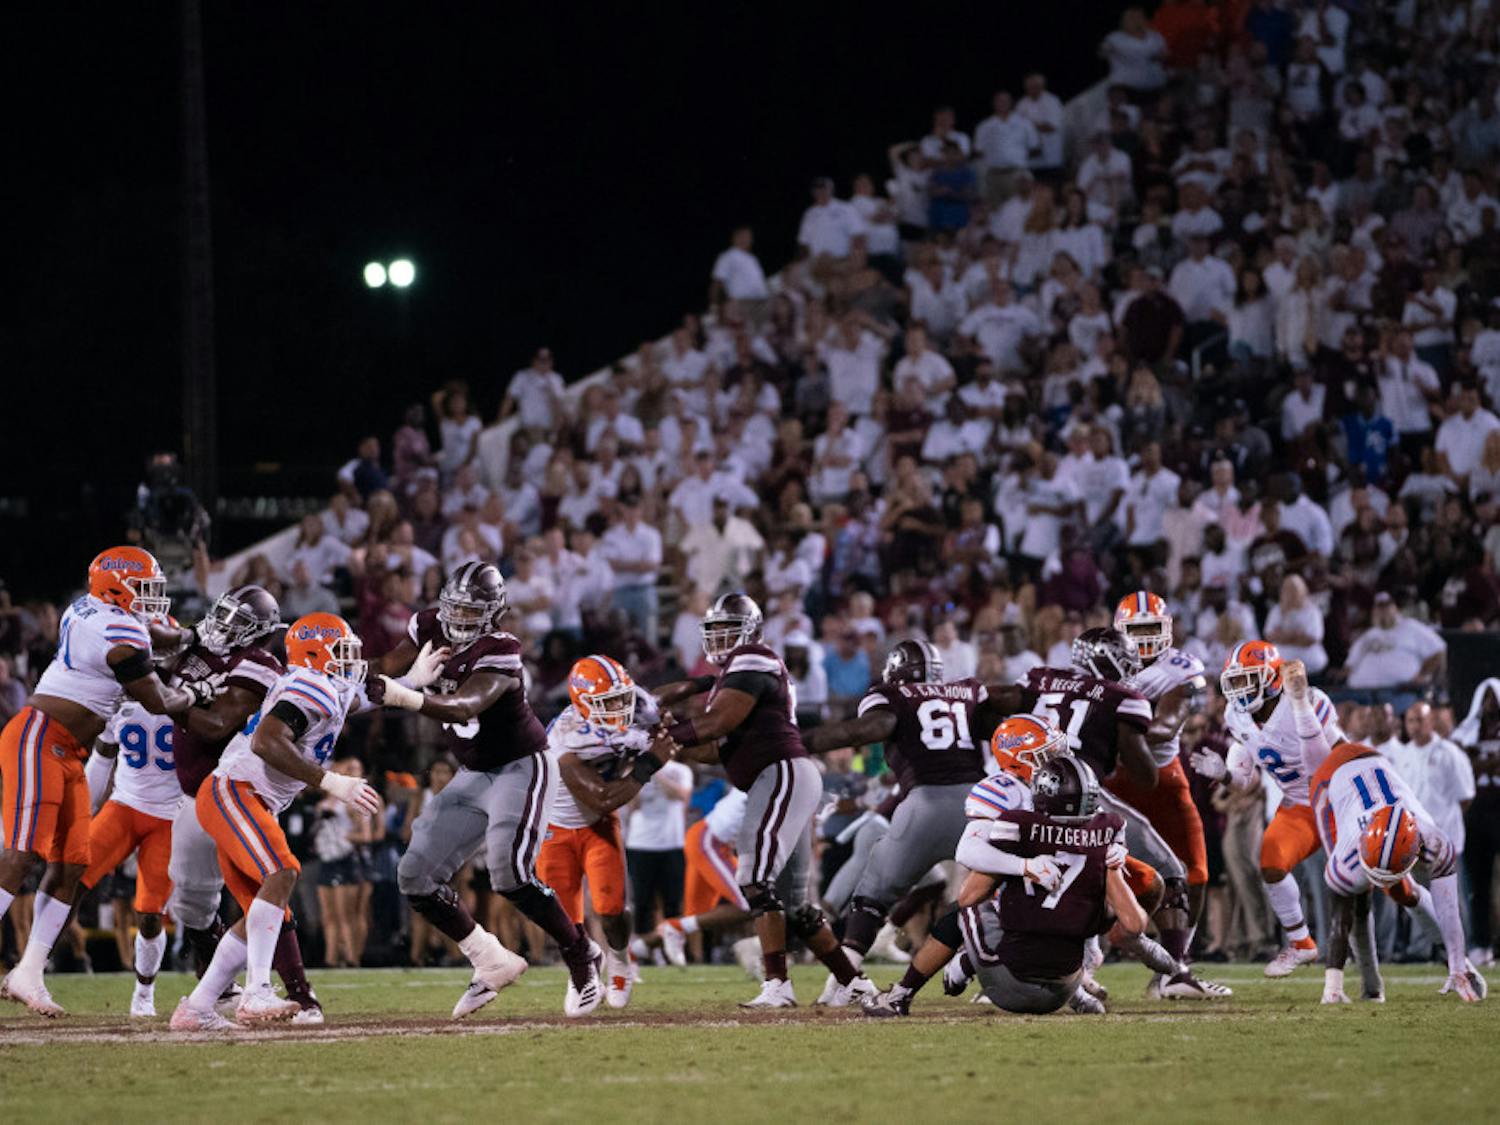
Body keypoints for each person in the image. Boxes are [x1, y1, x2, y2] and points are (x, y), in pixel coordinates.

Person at [375, 562, 620, 1019]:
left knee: (509, 872)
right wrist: (339, 676)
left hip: (521, 766)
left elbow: (466, 702)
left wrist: (405, 694)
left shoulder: (501, 650)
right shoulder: (429, 624)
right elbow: (384, 668)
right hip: (473, 771)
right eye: (455, 608)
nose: (458, 619)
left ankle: (581, 952)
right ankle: (489, 959)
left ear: (492, 614)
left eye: (471, 611)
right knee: (414, 875)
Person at [0, 548, 215, 1018]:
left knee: (72, 865)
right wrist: (198, 691)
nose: (154, 599)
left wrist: (192, 633)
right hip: (39, 737)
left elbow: (157, 634)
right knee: (22, 855)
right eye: (146, 588)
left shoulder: (93, 608)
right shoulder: (117, 629)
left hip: (68, 751)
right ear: (118, 587)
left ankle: (28, 972)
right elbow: (159, 700)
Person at [653, 592, 869, 1007]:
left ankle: (777, 985)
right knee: (796, 905)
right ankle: (852, 981)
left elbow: (719, 723)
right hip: (783, 777)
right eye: (713, 631)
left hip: (783, 773)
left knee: (753, 877)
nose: (718, 639)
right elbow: (717, 748)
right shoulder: (732, 677)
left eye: (726, 630)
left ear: (749, 631)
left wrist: (669, 734)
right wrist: (669, 741)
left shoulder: (753, 657)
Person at [170, 613, 383, 1029]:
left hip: (242, 797)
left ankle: (196, 1007)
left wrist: (416, 684)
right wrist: (331, 782)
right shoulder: (310, 684)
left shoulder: (326, 687)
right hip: (236, 790)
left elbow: (371, 693)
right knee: (283, 872)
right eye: (341, 652)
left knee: (260, 910)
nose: (351, 660)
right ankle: (256, 992)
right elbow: (266, 741)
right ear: (316, 654)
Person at [865, 751, 1142, 1017]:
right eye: (1044, 750)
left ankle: (903, 993)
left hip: (1016, 974)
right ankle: (1079, 991)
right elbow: (1130, 920)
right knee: (1078, 903)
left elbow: (969, 892)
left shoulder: (1021, 821)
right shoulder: (1098, 825)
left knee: (965, 909)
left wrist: (1019, 866)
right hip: (1068, 973)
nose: (1055, 755)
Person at [158, 585, 323, 1020]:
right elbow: (149, 643)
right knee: (190, 902)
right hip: (193, 797)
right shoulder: (200, 647)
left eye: (239, 623)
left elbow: (215, 726)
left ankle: (297, 994)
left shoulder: (261, 665)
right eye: (223, 615)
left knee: (268, 885)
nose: (224, 627)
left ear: (261, 633)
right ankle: (217, 990)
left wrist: (162, 696)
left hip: (231, 790)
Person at [802, 639, 987, 1005]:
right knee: (992, 896)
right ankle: (987, 972)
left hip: (926, 802)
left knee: (871, 896)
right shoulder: (968, 691)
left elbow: (865, 730)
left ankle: (844, 980)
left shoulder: (890, 696)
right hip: (980, 804)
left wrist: (799, 742)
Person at [1192, 644, 1345, 978]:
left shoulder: (1305, 701)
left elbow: (1335, 756)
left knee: (1374, 883)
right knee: (1271, 865)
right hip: (1298, 806)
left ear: (1273, 678)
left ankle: (1454, 954)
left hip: (1339, 798)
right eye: (1235, 682)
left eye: (1249, 680)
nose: (1240, 691)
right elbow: (1244, 781)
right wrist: (1225, 775)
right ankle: (1301, 943)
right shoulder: (1237, 716)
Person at [1310, 725, 1486, 1003]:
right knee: (1356, 898)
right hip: (1329, 780)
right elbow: (1339, 918)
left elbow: (1448, 909)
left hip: (1373, 763)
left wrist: (1457, 966)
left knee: (1404, 891)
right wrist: (1332, 989)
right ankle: (1370, 985)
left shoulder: (1434, 842)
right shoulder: (1348, 855)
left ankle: (1461, 966)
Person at [540, 655, 672, 1010]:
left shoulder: (632, 705)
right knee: (567, 924)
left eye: (621, 698)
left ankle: (619, 958)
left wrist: (709, 686)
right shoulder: (564, 740)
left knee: (611, 909)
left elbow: (664, 698)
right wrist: (650, 762)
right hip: (557, 827)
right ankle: (581, 974)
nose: (619, 708)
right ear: (583, 702)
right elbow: (602, 799)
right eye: (608, 702)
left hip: (598, 827)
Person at [1111, 592, 1213, 991]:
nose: (1145, 639)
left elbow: (1165, 727)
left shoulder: (1181, 668)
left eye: (1152, 629)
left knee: (1196, 872)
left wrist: (1110, 723)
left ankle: (1176, 964)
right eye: (1136, 631)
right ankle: (1076, 965)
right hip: (1113, 779)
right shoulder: (1104, 662)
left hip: (1163, 774)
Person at [77, 699, 185, 1017]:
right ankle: (33, 967)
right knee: (70, 874)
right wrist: (82, 813)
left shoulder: (188, 691)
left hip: (169, 814)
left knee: (151, 914)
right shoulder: (119, 695)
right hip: (124, 804)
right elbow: (103, 755)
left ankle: (144, 993)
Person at [646, 788, 751, 967]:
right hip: (710, 841)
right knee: (752, 901)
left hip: (707, 837)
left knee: (696, 916)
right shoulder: (768, 780)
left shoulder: (763, 778)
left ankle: (636, 949)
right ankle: (760, 952)